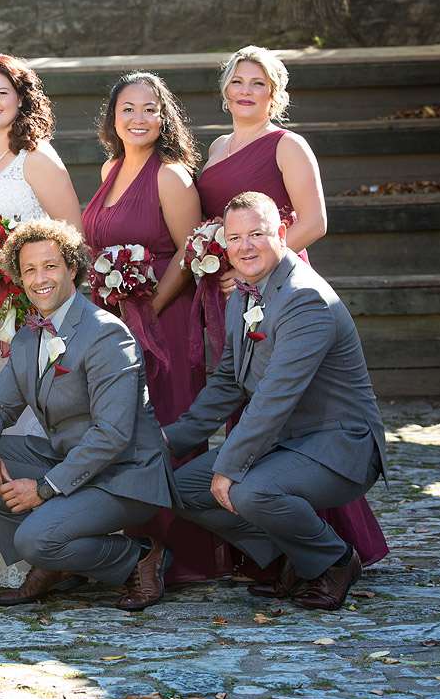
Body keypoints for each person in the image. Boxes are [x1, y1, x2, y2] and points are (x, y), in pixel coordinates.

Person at [194, 46, 388, 571]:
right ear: (225, 89)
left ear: (274, 92)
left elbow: (315, 220)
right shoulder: (215, 148)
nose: (245, 91)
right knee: (241, 390)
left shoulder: (288, 144)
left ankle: (324, 544)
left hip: (270, 279)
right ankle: (273, 548)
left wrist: (254, 267)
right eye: (237, 81)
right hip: (232, 286)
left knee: (285, 400)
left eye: (258, 83)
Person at [166, 192, 389, 611]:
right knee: (182, 489)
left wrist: (228, 467)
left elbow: (273, 398)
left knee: (250, 492)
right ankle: (297, 556)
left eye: (257, 234)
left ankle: (337, 560)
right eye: (234, 238)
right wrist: (171, 440)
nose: (244, 247)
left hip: (340, 446)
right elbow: (229, 383)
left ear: (282, 235)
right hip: (285, 443)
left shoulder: (304, 299)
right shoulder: (245, 293)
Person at [0, 218, 179, 611]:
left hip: (125, 473)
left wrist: (43, 488)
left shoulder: (105, 333)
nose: (41, 278)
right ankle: (56, 562)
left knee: (34, 538)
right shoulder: (27, 338)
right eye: (30, 270)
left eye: (50, 266)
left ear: (72, 268)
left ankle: (140, 556)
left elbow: (112, 435)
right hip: (68, 457)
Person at [81, 72, 232, 584]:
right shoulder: (110, 167)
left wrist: (144, 309)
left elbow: (192, 253)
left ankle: (187, 557)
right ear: (113, 118)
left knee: (169, 427)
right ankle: (137, 549)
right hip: (118, 320)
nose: (139, 119)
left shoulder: (172, 175)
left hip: (164, 321)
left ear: (164, 117)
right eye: (128, 109)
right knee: (124, 431)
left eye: (150, 109)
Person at [0, 53, 84, 391]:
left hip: (36, 299)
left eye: (2, 92)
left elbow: (74, 236)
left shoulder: (38, 157)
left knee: (33, 392)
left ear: (21, 97)